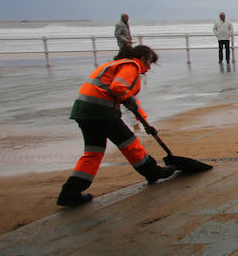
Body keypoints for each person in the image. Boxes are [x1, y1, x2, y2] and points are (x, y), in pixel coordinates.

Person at [56, 45, 176, 206]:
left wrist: (145, 122)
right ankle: (153, 172)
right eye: (149, 63)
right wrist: (131, 102)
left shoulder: (113, 65)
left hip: (83, 111)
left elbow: (125, 95)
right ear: (142, 58)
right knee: (130, 144)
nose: (148, 69)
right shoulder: (131, 66)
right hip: (102, 111)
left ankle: (70, 192)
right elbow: (118, 87)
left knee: (93, 153)